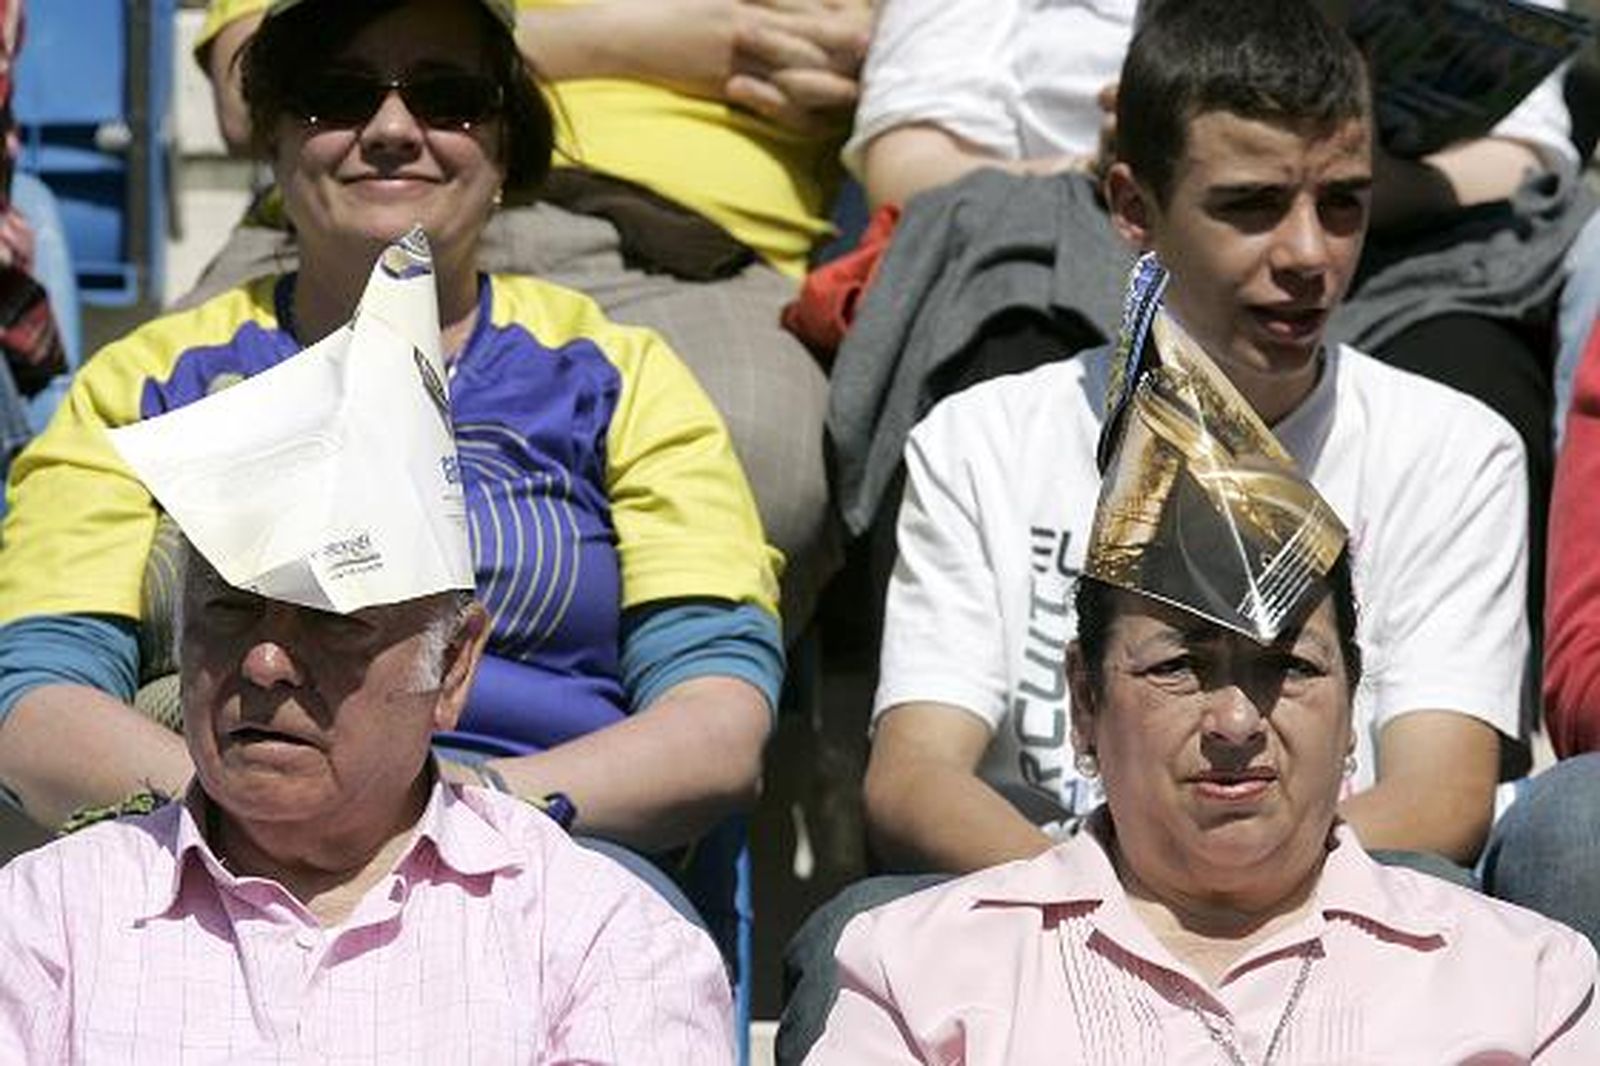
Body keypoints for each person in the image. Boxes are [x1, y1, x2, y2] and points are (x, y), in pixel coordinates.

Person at [777, 2, 1560, 1056]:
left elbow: (1442, 794)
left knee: (1425, 888)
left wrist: (1232, 901)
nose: (1308, 253)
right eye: (1249, 205)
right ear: (1132, 208)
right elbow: (915, 776)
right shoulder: (983, 436)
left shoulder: (1452, 444)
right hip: (1047, 910)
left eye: (1342, 203)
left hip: (1335, 915)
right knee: (860, 928)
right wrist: (1120, 907)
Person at [0, 0, 781, 914]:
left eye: (448, 98)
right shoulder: (146, 379)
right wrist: (268, 827)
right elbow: (36, 697)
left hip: (541, 852)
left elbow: (717, 720)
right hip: (211, 850)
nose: (393, 130)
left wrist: (464, 816)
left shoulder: (619, 376)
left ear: (505, 145)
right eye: (337, 96)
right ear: (274, 138)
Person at [802, 321, 1599, 1059]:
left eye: (1290, 668)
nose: (1237, 720)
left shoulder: (1528, 982)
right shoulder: (914, 970)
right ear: (1085, 702)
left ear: (1354, 699)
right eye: (1179, 667)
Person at [828, 0, 1590, 624]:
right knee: (1013, 330)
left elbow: (1527, 153)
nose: (1302, 254)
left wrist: (1345, 182)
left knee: (1471, 365)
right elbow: (912, 156)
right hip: (1080, 205)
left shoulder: (1463, 432)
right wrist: (1175, 173)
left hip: (1410, 229)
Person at [185, 0, 873, 635]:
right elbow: (251, 83)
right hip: (343, 217)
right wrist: (667, 40)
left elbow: (855, 60)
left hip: (677, 248)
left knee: (755, 460)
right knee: (181, 444)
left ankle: (639, 710)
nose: (397, 118)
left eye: (450, 92)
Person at [0, 522, 734, 1061]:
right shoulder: (44, 919)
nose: (264, 663)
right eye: (228, 608)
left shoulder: (599, 937)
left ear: (452, 665)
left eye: (332, 617)